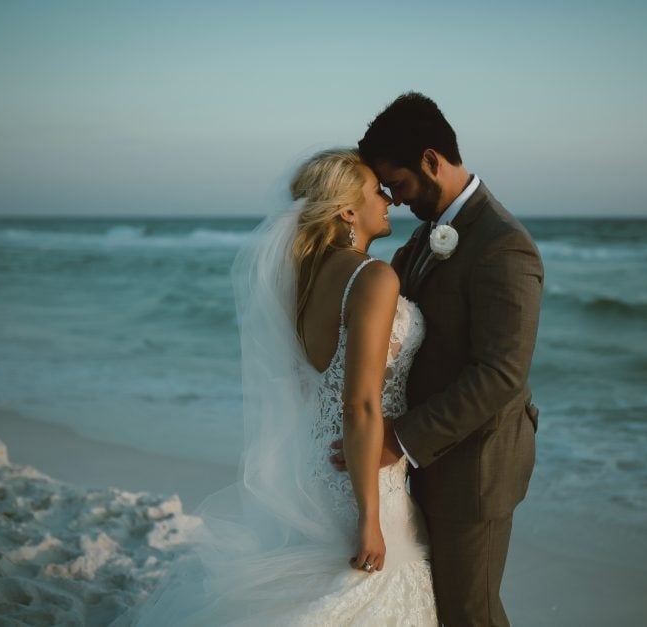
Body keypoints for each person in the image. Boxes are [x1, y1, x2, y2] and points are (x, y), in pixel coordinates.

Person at [125, 148, 437, 625]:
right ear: (348, 210)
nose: (389, 201)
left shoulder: (303, 282)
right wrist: (368, 518)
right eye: (377, 192)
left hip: (317, 467)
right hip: (362, 473)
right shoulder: (373, 276)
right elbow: (360, 405)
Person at [336, 93, 544, 626]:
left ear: (432, 160)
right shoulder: (430, 234)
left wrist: (398, 438)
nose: (397, 199)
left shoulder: (504, 246)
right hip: (431, 459)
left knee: (467, 613)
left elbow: (500, 374)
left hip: (476, 468)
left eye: (398, 183)